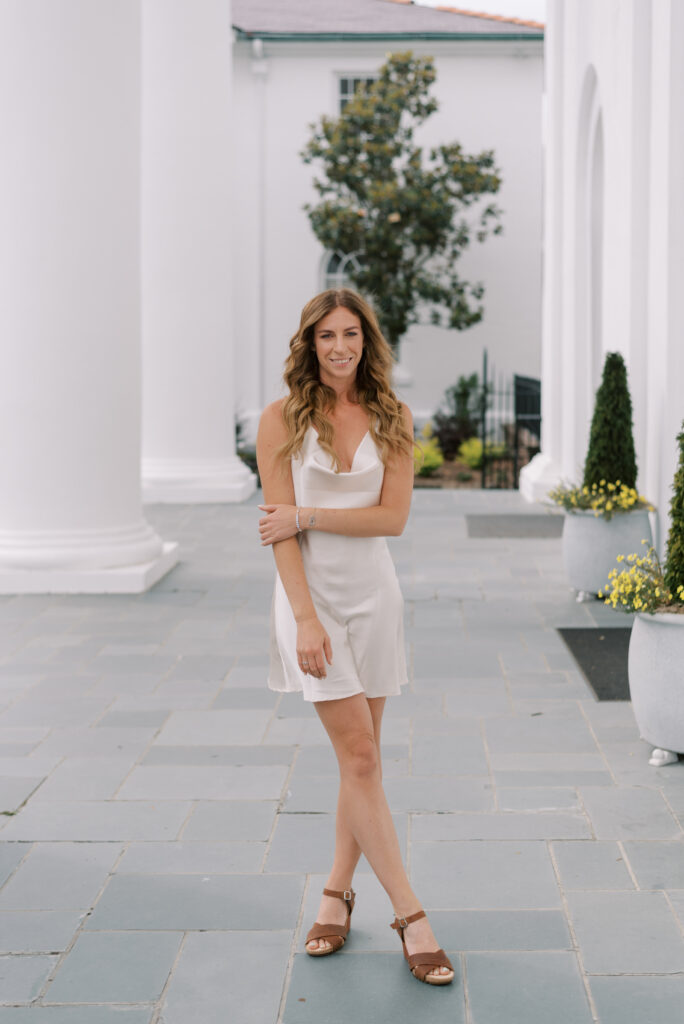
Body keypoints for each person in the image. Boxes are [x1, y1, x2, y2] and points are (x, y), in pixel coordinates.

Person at [256, 288, 454, 986]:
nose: (339, 347)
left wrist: (305, 514)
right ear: (308, 344)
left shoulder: (393, 416)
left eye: (351, 334)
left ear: (367, 341)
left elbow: (391, 519)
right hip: (311, 603)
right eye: (326, 336)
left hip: (376, 598)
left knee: (358, 761)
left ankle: (336, 894)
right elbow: (278, 541)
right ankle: (411, 916)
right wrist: (305, 619)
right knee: (362, 756)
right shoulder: (280, 419)